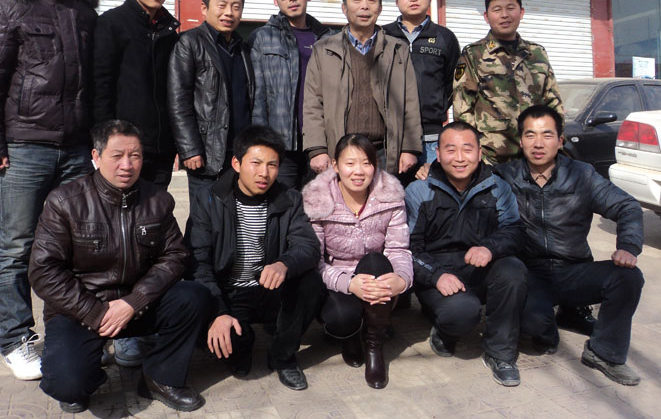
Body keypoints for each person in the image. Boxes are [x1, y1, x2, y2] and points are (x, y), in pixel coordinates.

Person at [0, 0, 98, 380]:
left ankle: (71, 328)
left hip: (77, 149)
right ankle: (16, 339)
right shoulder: (11, 5)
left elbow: (94, 84)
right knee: (16, 246)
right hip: (25, 147)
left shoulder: (85, 11)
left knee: (76, 244)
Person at [28, 120, 212, 413]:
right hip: (81, 310)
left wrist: (133, 301)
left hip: (137, 305)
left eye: (135, 156)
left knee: (194, 297)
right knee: (69, 386)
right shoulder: (64, 201)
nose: (127, 165)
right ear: (96, 156)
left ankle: (160, 377)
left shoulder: (157, 199)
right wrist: (95, 312)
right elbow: (43, 271)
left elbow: (175, 255)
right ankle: (88, 365)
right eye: (117, 156)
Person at [496, 105, 644, 386]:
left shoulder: (582, 175)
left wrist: (628, 245)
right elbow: (464, 180)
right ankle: (552, 321)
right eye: (530, 135)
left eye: (547, 135)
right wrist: (432, 169)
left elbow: (627, 206)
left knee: (628, 277)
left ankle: (604, 353)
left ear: (560, 141)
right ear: (520, 141)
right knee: (537, 329)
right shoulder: (505, 176)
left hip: (574, 270)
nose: (538, 143)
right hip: (530, 275)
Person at [186, 126, 322, 391]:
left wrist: (284, 264)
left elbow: (308, 246)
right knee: (227, 342)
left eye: (272, 165)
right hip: (229, 292)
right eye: (256, 163)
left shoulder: (290, 199)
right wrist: (219, 312)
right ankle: (243, 341)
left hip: (270, 288)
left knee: (310, 281)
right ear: (237, 163)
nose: (264, 173)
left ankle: (282, 356)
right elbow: (197, 261)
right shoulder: (208, 199)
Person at [407, 122, 526, 386]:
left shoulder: (497, 187)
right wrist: (436, 275)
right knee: (462, 313)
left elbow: (514, 231)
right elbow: (408, 249)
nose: (460, 158)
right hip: (438, 275)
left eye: (467, 149)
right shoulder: (419, 191)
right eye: (451, 150)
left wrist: (490, 247)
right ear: (438, 154)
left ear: (480, 153)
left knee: (513, 270)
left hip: (480, 267)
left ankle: (500, 353)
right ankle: (444, 331)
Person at [302, 134, 412, 389]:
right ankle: (351, 335)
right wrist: (349, 283)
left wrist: (402, 280)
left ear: (376, 165)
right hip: (337, 279)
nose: (358, 171)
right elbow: (315, 261)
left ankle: (374, 344)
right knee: (341, 319)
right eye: (350, 163)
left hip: (377, 275)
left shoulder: (391, 197)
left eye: (366, 163)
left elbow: (399, 249)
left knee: (374, 261)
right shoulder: (318, 201)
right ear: (335, 165)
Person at [303, 0, 422, 178]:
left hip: (384, 150)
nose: (365, 6)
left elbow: (410, 101)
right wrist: (317, 149)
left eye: (371, 0)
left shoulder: (397, 49)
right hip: (340, 150)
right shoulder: (323, 50)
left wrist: (410, 148)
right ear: (344, 8)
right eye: (357, 0)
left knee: (386, 198)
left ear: (380, 8)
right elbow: (312, 104)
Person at [93, 0, 179, 189]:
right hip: (123, 147)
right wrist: (106, 138)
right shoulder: (112, 24)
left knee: (155, 208)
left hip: (161, 148)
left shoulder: (169, 32)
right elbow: (100, 85)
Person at [451, 0, 563, 166]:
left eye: (510, 8)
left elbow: (553, 101)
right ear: (486, 16)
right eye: (497, 10)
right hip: (492, 159)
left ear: (521, 12)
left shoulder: (537, 53)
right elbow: (462, 108)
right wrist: (474, 152)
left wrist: (555, 141)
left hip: (536, 157)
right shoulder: (473, 55)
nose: (504, 15)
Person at [168, 0, 254, 198]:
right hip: (207, 151)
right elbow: (178, 100)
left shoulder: (243, 48)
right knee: (205, 214)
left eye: (236, 7)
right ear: (204, 8)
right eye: (222, 5)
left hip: (239, 152)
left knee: (234, 213)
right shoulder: (190, 43)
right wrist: (190, 149)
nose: (229, 13)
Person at [249, 0, 334, 189]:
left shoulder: (328, 38)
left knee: (319, 202)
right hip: (280, 142)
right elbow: (256, 95)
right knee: (282, 201)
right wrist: (261, 140)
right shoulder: (262, 38)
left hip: (321, 142)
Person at [382, 0, 460, 170]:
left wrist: (437, 106)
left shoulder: (444, 37)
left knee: (431, 187)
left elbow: (453, 83)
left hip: (431, 136)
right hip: (389, 135)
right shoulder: (383, 36)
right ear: (396, 0)